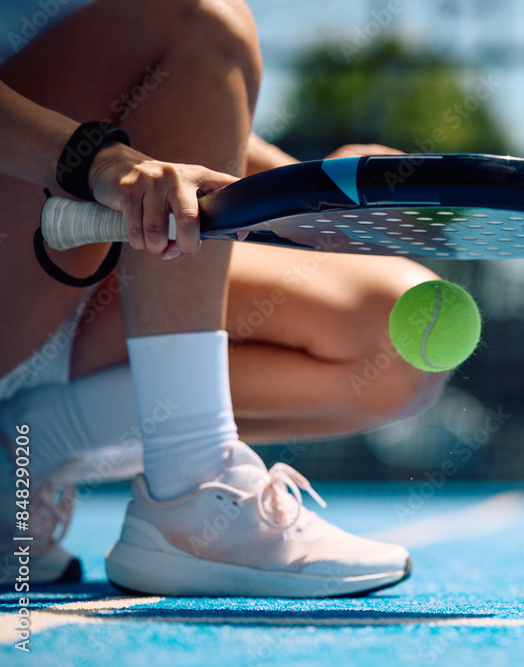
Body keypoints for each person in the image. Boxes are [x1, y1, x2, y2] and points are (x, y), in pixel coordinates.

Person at [0, 0, 448, 596]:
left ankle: (21, 454)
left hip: (79, 272)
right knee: (199, 17)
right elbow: (188, 38)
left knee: (397, 338)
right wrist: (96, 161)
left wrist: (309, 192)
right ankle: (190, 487)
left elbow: (180, 98)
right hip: (32, 236)